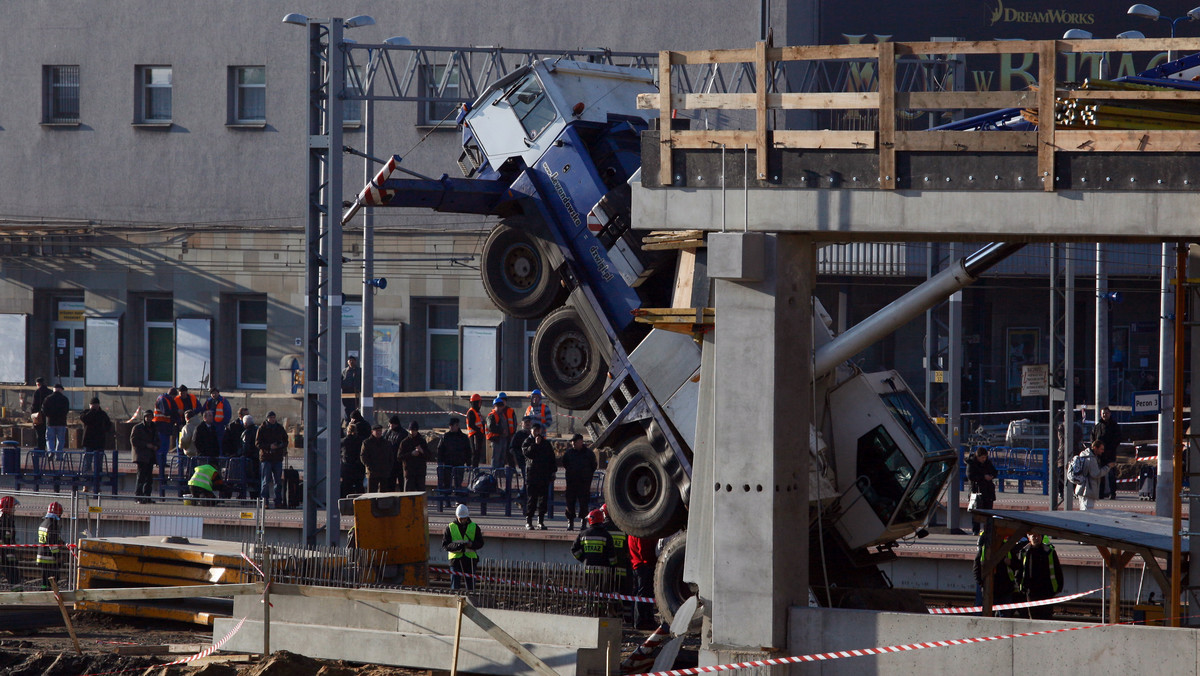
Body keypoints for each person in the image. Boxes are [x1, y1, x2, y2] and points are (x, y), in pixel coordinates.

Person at [572, 509, 618, 612]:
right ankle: (600, 610)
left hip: (589, 569)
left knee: (590, 591)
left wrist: (583, 559)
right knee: (602, 593)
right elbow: (612, 555)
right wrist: (613, 567)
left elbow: (574, 550)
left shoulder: (583, 534)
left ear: (590, 520)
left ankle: (590, 609)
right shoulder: (606, 535)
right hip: (603, 571)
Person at [973, 523, 1017, 615]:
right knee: (987, 613)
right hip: (991, 588)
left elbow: (1018, 565)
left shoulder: (1007, 548)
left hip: (1005, 588)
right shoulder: (985, 548)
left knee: (1004, 615)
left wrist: (1011, 563)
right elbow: (976, 567)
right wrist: (982, 583)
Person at [1017, 532, 1063, 620]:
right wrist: (1021, 586)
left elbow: (1057, 570)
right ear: (1029, 538)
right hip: (1031, 591)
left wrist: (1058, 587)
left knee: (1046, 617)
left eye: (1038, 536)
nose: (1036, 538)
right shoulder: (1024, 552)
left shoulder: (1049, 551)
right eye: (1033, 536)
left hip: (1047, 591)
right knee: (1034, 618)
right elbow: (1019, 570)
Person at [521, 422, 556, 530]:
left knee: (543, 499)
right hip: (532, 475)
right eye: (535, 430)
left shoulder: (545, 443)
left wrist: (553, 471)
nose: (537, 433)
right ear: (531, 431)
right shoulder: (528, 442)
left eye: (538, 430)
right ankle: (529, 520)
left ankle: (540, 520)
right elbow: (527, 454)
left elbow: (551, 458)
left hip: (543, 475)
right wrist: (535, 445)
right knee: (532, 499)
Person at [442, 503, 485, 591]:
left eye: (464, 518)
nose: (462, 520)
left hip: (470, 560)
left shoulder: (474, 527)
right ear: (457, 517)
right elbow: (445, 545)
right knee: (455, 587)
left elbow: (480, 543)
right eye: (461, 518)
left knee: (471, 587)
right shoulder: (450, 527)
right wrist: (458, 546)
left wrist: (472, 545)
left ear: (467, 517)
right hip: (455, 560)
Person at [561, 433, 596, 531]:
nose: (573, 444)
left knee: (584, 504)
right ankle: (570, 522)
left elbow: (593, 466)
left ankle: (583, 522)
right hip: (572, 482)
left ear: (581, 441)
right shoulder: (569, 453)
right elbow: (565, 463)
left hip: (584, 483)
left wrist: (587, 476)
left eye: (575, 442)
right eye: (572, 442)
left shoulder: (588, 454)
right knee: (570, 503)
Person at [256, 411, 288, 509]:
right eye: (271, 417)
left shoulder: (279, 428)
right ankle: (264, 501)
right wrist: (269, 446)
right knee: (266, 481)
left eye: (274, 417)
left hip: (277, 457)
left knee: (278, 481)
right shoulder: (262, 428)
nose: (273, 419)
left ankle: (278, 501)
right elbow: (257, 443)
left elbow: (286, 440)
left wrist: (280, 445)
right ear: (267, 418)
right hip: (266, 457)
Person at [628, 534, 659, 629]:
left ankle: (637, 620)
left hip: (637, 565)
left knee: (639, 593)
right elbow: (644, 552)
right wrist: (653, 561)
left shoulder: (631, 533)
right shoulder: (642, 535)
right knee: (644, 594)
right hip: (644, 565)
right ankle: (641, 621)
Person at [1092, 406, 1123, 499]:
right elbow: (1093, 438)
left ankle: (1113, 493)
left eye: (1106, 413)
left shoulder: (1114, 426)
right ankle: (1100, 493)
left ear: (1110, 414)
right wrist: (1096, 449)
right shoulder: (1098, 426)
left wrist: (1109, 449)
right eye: (1103, 413)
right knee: (1100, 474)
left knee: (1111, 474)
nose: (1105, 415)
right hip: (1099, 455)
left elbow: (1117, 439)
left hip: (1110, 453)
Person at [1069, 440, 1110, 511]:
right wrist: (1108, 467)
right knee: (1088, 511)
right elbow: (1096, 474)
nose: (1102, 451)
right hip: (1088, 489)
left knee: (1083, 509)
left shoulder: (1084, 455)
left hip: (1081, 487)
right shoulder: (1091, 459)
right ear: (1095, 448)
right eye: (1101, 449)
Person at [601, 504, 632, 596]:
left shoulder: (602, 528)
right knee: (623, 588)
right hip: (622, 563)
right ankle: (624, 604)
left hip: (606, 564)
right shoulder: (623, 527)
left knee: (605, 588)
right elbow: (628, 545)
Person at [966, 447, 997, 534]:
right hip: (976, 491)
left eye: (985, 457)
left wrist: (991, 476)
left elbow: (995, 472)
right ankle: (976, 531)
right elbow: (970, 476)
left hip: (988, 491)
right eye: (982, 458)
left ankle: (987, 530)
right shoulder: (971, 463)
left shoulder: (987, 463)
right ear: (978, 456)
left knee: (988, 513)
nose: (984, 459)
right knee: (976, 513)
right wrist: (983, 477)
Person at [152, 387, 180, 485]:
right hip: (160, 425)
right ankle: (159, 462)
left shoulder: (168, 399)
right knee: (161, 445)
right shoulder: (163, 399)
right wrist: (175, 414)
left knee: (165, 446)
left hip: (166, 425)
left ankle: (162, 462)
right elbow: (166, 412)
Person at [130, 410, 159, 503]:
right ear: (144, 417)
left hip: (150, 456)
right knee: (141, 477)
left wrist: (156, 446)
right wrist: (146, 445)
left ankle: (147, 497)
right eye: (147, 417)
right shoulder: (138, 427)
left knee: (149, 478)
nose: (149, 418)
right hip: (141, 456)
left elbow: (158, 439)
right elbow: (134, 441)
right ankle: (138, 497)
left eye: (150, 416)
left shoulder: (154, 427)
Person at [79, 396, 113, 475]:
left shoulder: (102, 414)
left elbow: (109, 424)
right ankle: (86, 482)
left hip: (99, 441)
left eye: (95, 405)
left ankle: (98, 481)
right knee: (87, 462)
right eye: (92, 405)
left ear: (98, 405)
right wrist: (92, 411)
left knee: (98, 463)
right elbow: (85, 419)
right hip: (88, 441)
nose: (93, 406)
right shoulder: (86, 412)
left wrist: (103, 430)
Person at [36, 502, 65, 589]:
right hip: (50, 558)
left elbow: (49, 538)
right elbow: (52, 544)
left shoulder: (44, 523)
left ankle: (44, 592)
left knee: (45, 578)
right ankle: (49, 594)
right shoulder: (53, 525)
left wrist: (61, 541)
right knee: (54, 577)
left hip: (41, 556)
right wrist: (58, 557)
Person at [361, 423, 395, 493]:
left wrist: (388, 467)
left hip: (384, 472)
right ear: (372, 432)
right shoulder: (367, 443)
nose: (379, 433)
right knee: (371, 493)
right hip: (372, 472)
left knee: (384, 494)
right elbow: (363, 456)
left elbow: (391, 456)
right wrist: (369, 467)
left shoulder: (386, 443)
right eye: (377, 431)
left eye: (380, 431)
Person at [438, 418, 471, 490]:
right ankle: (447, 499)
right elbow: (440, 450)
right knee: (447, 484)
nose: (451, 427)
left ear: (457, 425)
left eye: (453, 425)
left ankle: (458, 498)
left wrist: (468, 463)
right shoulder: (445, 437)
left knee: (458, 484)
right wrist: (440, 462)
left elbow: (468, 451)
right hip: (448, 464)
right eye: (450, 426)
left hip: (459, 463)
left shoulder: (463, 438)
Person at [397, 422, 429, 492]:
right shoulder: (404, 442)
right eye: (411, 430)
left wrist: (421, 451)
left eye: (414, 430)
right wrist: (411, 454)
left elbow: (429, 456)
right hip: (409, 471)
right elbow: (399, 457)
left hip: (420, 472)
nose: (413, 432)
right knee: (408, 494)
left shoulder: (422, 441)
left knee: (420, 493)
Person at [486, 395, 516, 469]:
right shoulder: (492, 415)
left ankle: (500, 473)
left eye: (501, 406)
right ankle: (495, 473)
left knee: (502, 458)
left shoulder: (502, 415)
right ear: (494, 406)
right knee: (496, 458)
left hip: (503, 439)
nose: (500, 407)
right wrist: (502, 431)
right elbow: (491, 427)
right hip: (496, 439)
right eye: (498, 406)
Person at [341, 423, 369, 498]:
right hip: (358, 468)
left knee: (346, 488)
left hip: (347, 468)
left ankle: (346, 505)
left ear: (347, 431)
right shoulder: (361, 441)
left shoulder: (344, 441)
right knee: (359, 487)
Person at [41, 383, 69, 456]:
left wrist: (49, 415)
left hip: (51, 422)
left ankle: (51, 451)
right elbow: (66, 410)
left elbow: (44, 410)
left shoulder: (48, 398)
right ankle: (59, 455)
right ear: (61, 390)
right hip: (61, 422)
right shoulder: (64, 399)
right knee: (61, 440)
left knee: (50, 438)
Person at [204, 388, 233, 455]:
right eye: (212, 393)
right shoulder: (209, 401)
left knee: (219, 442)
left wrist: (224, 423)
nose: (214, 395)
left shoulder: (223, 401)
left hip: (220, 425)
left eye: (215, 393)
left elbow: (227, 413)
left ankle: (220, 457)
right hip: (210, 425)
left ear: (218, 393)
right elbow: (204, 410)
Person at [0, 496, 21, 586]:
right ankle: (17, 597)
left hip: (7, 555)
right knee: (14, 577)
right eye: (13, 507)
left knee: (14, 577)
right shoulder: (3, 520)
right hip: (4, 555)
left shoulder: (8, 519)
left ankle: (17, 597)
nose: (14, 510)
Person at [240, 414, 260, 499]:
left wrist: (242, 454)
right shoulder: (258, 430)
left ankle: (246, 496)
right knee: (257, 479)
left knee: (247, 479)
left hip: (249, 459)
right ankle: (256, 497)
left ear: (245, 424)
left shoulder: (246, 433)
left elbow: (245, 446)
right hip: (257, 458)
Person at [465, 394, 486, 467]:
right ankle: (473, 468)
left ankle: (475, 467)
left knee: (478, 453)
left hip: (479, 435)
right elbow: (471, 424)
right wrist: (479, 430)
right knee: (475, 453)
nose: (480, 404)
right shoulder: (471, 412)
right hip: (474, 435)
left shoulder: (477, 412)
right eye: (479, 402)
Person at [30, 377, 50, 451]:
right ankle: (49, 450)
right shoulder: (50, 392)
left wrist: (32, 414)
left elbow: (34, 405)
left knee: (40, 434)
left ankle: (41, 449)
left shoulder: (37, 392)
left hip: (39, 416)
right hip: (49, 416)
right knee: (48, 435)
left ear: (38, 384)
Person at [341, 356, 362, 422]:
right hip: (346, 392)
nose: (351, 362)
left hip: (355, 392)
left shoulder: (359, 370)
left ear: (355, 361)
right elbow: (340, 380)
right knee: (347, 408)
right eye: (350, 361)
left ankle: (354, 421)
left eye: (353, 360)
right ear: (347, 362)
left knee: (354, 408)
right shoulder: (344, 371)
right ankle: (347, 422)